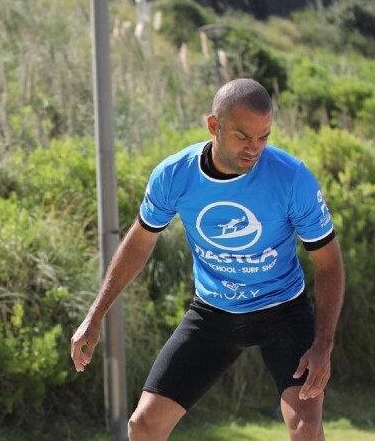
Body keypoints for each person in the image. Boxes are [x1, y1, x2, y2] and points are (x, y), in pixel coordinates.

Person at [71, 77, 345, 440]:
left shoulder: (291, 178)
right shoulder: (174, 175)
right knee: (143, 424)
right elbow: (139, 242)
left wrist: (323, 344)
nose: (255, 148)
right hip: (213, 313)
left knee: (305, 426)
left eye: (263, 136)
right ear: (214, 126)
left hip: (284, 313)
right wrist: (95, 315)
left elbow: (329, 263)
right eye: (243, 137)